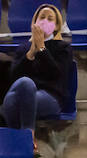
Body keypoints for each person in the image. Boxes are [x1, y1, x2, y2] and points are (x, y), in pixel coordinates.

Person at [2, 4, 71, 144]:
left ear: (57, 26)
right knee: (21, 88)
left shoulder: (63, 47)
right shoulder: (24, 48)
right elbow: (13, 77)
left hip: (50, 97)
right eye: (42, 17)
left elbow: (56, 74)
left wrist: (41, 48)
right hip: (21, 96)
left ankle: (24, 137)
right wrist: (30, 54)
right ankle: (24, 142)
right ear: (34, 23)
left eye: (50, 18)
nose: (45, 21)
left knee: (23, 88)